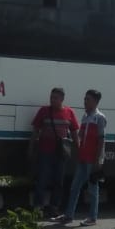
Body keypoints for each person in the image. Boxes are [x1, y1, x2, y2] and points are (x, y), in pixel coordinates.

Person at [57, 89, 106, 226]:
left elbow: (101, 140)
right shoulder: (85, 117)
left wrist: (98, 160)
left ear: (95, 102)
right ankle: (69, 215)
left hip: (93, 160)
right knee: (75, 187)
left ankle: (92, 218)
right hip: (83, 158)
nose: (85, 101)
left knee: (93, 189)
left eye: (88, 99)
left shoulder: (100, 118)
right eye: (85, 99)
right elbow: (80, 136)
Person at [29, 87, 78, 220]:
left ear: (62, 99)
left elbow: (74, 132)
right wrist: (31, 147)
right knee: (42, 180)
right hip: (45, 151)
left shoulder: (69, 112)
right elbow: (36, 130)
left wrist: (77, 148)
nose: (52, 100)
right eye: (51, 97)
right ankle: (38, 207)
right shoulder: (44, 111)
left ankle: (54, 207)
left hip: (61, 153)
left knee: (58, 181)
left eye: (55, 98)